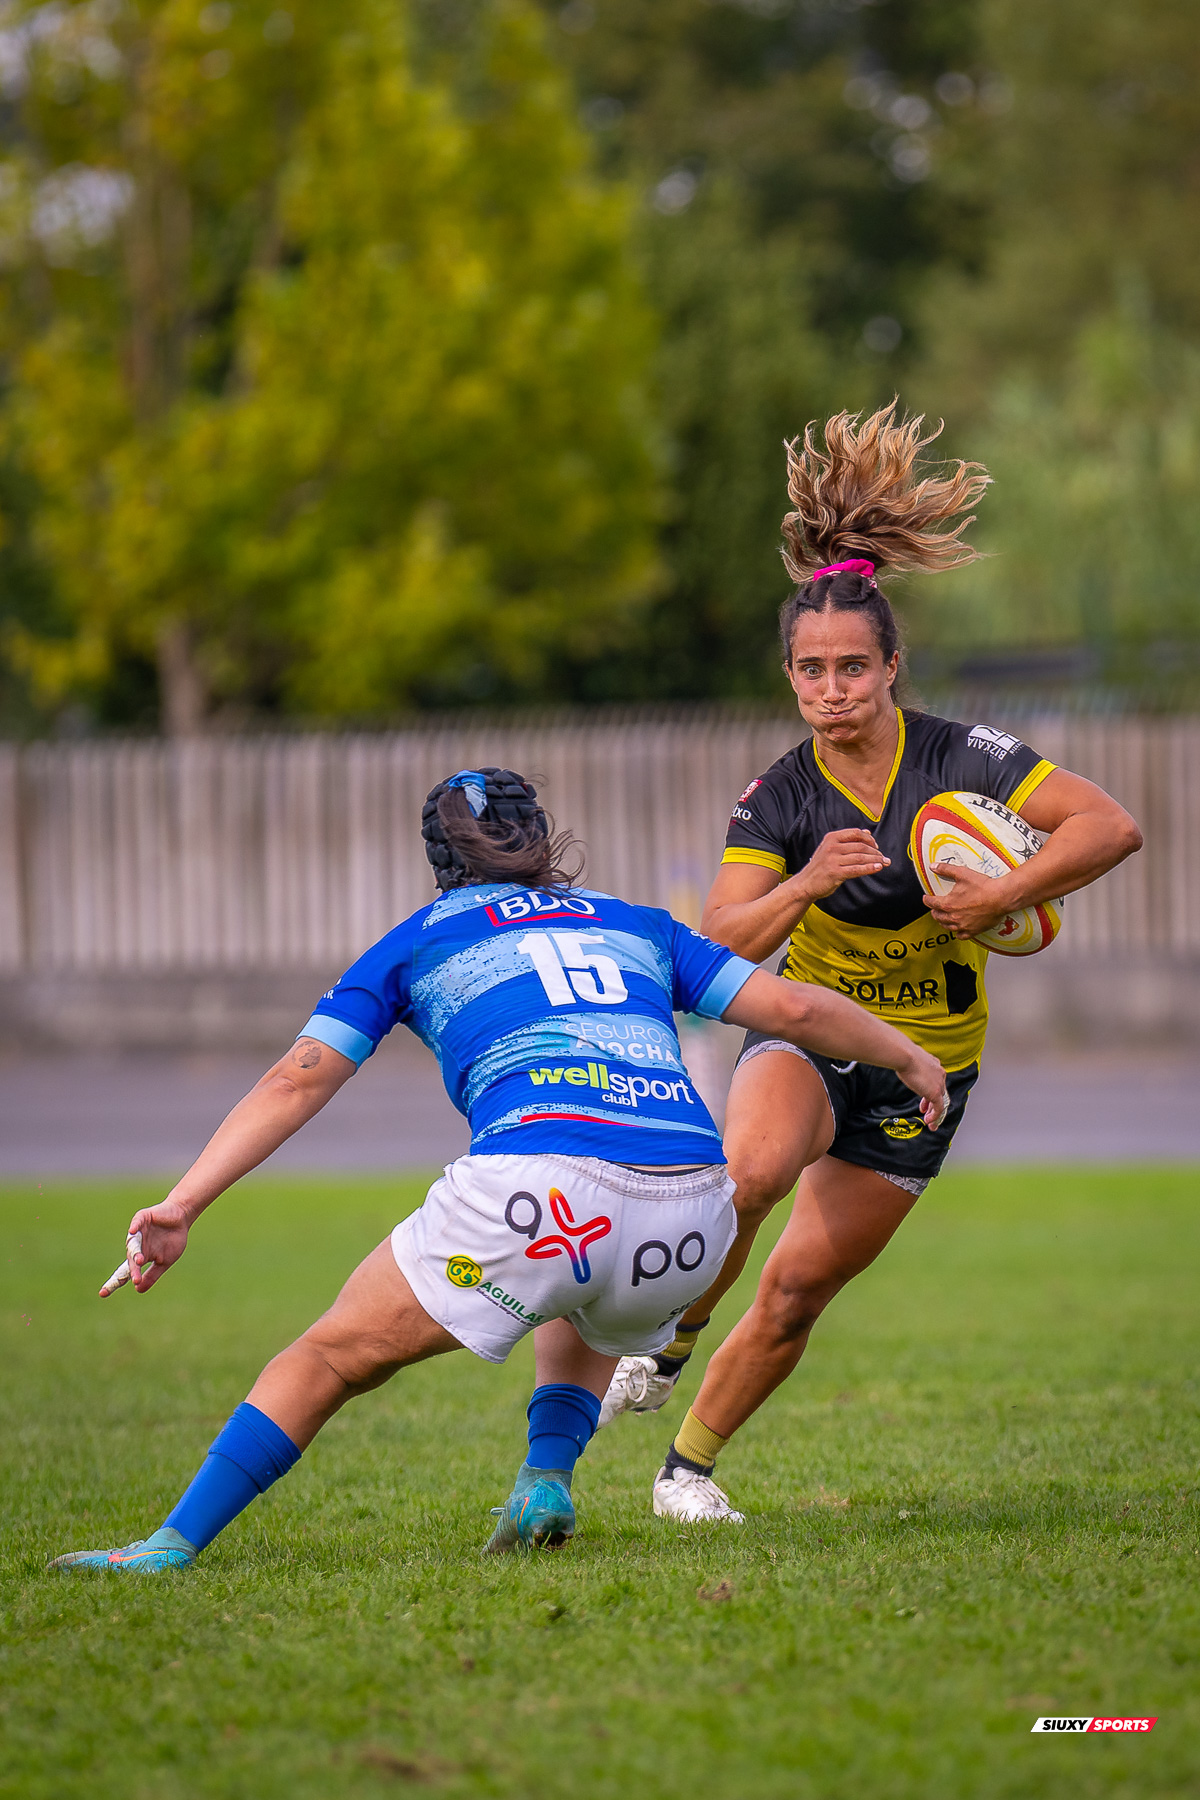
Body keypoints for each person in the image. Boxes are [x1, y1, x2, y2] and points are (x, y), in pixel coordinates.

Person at [49, 764, 948, 1575]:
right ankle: (545, 1480)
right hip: (692, 1218)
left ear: (441, 857)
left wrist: (184, 1203)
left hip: (540, 1188)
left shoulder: (421, 938)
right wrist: (909, 1058)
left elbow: (298, 1080)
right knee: (589, 1291)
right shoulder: (634, 924)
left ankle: (168, 1545)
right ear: (540, 837)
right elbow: (790, 1004)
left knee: (326, 1358)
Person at [595, 404, 1143, 1523]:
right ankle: (679, 1325)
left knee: (798, 1290)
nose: (832, 688)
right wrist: (804, 884)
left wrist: (998, 892)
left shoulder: (965, 757)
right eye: (811, 670)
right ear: (791, 677)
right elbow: (718, 941)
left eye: (853, 666)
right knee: (751, 1173)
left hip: (930, 1066)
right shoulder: (782, 794)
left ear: (893, 664)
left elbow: (1109, 827)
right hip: (813, 1031)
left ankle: (685, 1475)